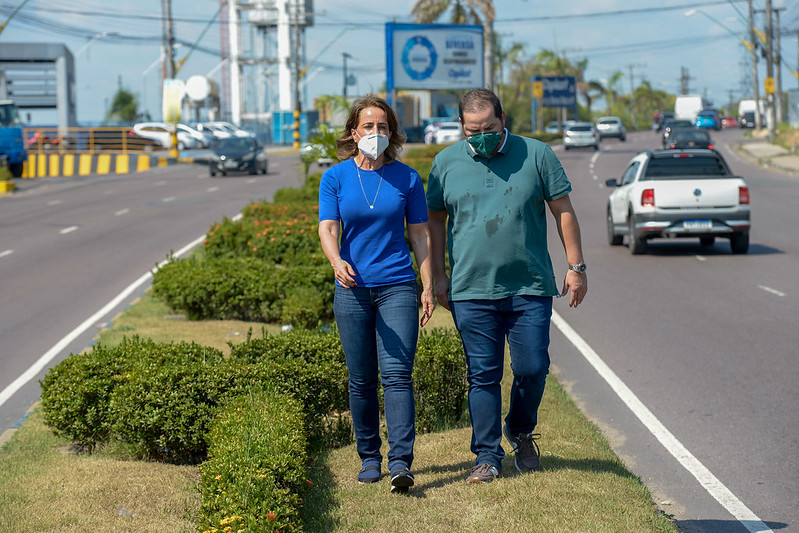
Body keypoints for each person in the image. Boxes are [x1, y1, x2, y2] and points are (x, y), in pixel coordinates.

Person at [425, 88, 587, 484]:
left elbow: (562, 210)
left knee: (533, 368)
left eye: (490, 128)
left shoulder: (537, 154)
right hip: (470, 288)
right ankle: (486, 456)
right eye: (472, 130)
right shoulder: (445, 162)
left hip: (529, 285)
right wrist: (437, 277)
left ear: (503, 120)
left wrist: (576, 266)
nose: (481, 136)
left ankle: (519, 428)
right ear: (461, 126)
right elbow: (432, 221)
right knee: (482, 374)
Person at [318, 94, 435, 494]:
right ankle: (369, 457)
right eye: (368, 126)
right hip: (351, 290)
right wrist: (336, 261)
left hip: (397, 286)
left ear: (392, 133)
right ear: (354, 132)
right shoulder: (335, 178)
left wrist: (428, 285)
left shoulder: (407, 178)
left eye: (383, 126)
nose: (376, 133)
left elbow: (419, 234)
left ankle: (401, 462)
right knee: (362, 379)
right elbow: (328, 228)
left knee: (398, 375)